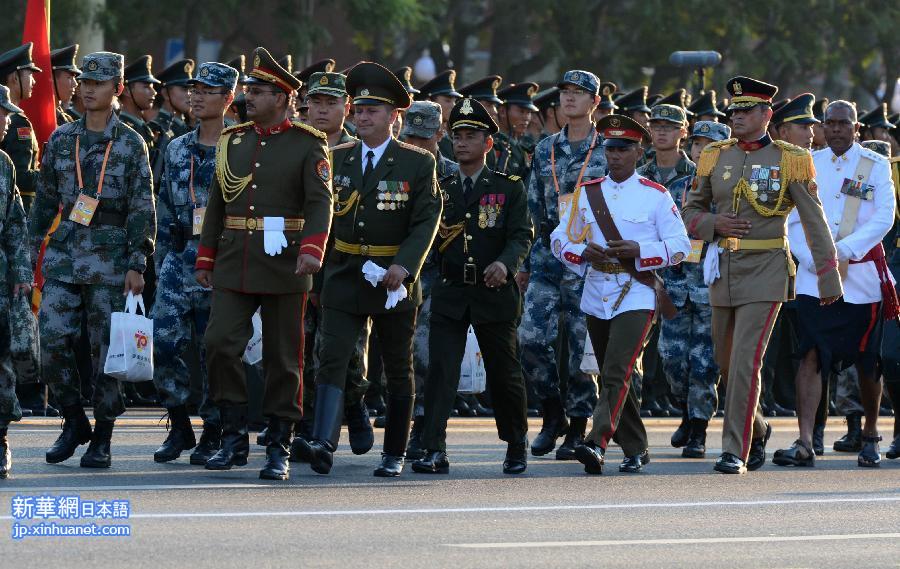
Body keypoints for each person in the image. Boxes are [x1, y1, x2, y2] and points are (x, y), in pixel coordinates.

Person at [681, 76, 842, 474]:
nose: (736, 116)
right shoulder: (715, 156)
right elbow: (689, 212)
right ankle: (757, 428)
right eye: (733, 110)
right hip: (723, 270)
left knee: (746, 362)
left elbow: (814, 221)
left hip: (767, 270)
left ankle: (733, 449)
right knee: (724, 362)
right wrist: (713, 223)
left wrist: (827, 275)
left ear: (766, 115)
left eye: (746, 110)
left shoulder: (790, 159)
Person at [194, 47, 332, 481]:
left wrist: (312, 249)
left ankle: (278, 444)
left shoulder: (308, 144)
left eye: (259, 91)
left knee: (284, 358)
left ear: (284, 97)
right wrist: (206, 255)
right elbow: (217, 203)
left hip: (286, 263)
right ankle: (233, 436)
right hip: (235, 260)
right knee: (218, 343)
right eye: (249, 90)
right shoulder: (234, 141)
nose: (249, 97)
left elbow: (320, 203)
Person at [301, 61, 441, 478]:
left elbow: (426, 218)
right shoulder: (335, 157)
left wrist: (405, 265)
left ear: (394, 116)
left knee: (398, 367)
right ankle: (324, 441)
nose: (362, 117)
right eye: (359, 110)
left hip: (391, 280)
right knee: (332, 355)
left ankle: (394, 451)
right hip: (343, 272)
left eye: (372, 111)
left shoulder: (416, 163)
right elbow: (319, 213)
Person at [31, 51, 156, 469]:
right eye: (84, 82)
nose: (87, 89)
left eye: (98, 83)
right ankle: (72, 419)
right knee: (50, 344)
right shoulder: (64, 139)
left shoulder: (131, 143)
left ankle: (102, 435)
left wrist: (137, 262)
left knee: (108, 354)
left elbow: (143, 205)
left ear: (117, 89)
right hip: (66, 255)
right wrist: (31, 250)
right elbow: (46, 201)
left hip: (112, 259)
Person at [551, 114, 691, 474]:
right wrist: (581, 253)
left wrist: (640, 252)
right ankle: (636, 447)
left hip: (638, 290)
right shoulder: (586, 192)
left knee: (615, 370)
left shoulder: (655, 195)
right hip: (596, 288)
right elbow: (558, 238)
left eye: (623, 148)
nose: (615, 155)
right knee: (618, 373)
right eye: (610, 148)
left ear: (637, 151)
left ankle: (596, 443)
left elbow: (680, 245)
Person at [412, 97, 533, 475]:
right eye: (458, 135)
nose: (462, 142)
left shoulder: (508, 187)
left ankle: (516, 444)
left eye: (471, 136)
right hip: (450, 290)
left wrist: (505, 263)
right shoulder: (441, 186)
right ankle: (433, 448)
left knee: (504, 372)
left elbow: (521, 235)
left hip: (493, 291)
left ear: (488, 144)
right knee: (441, 371)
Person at [774, 100, 895, 468]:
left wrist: (842, 253)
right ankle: (806, 441)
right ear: (823, 127)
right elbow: (792, 217)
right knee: (810, 355)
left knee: (867, 361)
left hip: (860, 279)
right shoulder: (810, 164)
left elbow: (883, 218)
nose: (837, 129)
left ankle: (871, 435)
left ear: (856, 128)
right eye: (831, 123)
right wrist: (816, 260)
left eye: (844, 123)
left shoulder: (873, 166)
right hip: (815, 279)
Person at [150, 62, 239, 465]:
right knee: (165, 344)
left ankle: (213, 430)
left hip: (222, 261)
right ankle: (178, 423)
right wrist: (159, 263)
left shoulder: (239, 147)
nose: (197, 96)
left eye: (208, 90)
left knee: (214, 351)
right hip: (179, 257)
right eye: (194, 89)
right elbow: (165, 208)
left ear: (228, 99)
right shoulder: (176, 147)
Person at [518, 70, 606, 460]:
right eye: (565, 93)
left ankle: (577, 426)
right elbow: (533, 207)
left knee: (580, 350)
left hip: (591, 261)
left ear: (595, 103)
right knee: (531, 339)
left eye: (578, 94)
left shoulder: (608, 150)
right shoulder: (545, 149)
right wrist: (524, 261)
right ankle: (551, 411)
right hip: (549, 257)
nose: (569, 99)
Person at [397, 100, 459, 458]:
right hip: (401, 276)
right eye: (411, 138)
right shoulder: (395, 168)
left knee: (427, 356)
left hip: (441, 279)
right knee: (399, 358)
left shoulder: (453, 174)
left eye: (424, 139)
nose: (417, 146)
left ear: (439, 134)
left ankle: (426, 430)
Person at [0, 85, 32, 479]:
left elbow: (16, 228)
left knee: (2, 363)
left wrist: (23, 276)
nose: (7, 120)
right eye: (1, 113)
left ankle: (0, 438)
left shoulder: (5, 164)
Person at [0, 43, 41, 212]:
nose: (34, 81)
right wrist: (55, 175)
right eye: (29, 74)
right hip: (17, 212)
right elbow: (21, 177)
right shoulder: (16, 123)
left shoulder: (17, 120)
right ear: (14, 78)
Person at [416, 69, 462, 160]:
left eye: (454, 101)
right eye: (447, 100)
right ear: (430, 102)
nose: (453, 105)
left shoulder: (452, 135)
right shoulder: (422, 136)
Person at [495, 82, 538, 178]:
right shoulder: (492, 145)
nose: (526, 117)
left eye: (529, 112)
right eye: (522, 111)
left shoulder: (526, 147)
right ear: (502, 112)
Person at [118, 55, 158, 147]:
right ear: (126, 91)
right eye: (146, 87)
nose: (154, 92)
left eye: (152, 87)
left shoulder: (141, 126)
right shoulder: (122, 129)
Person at [151, 59, 194, 138]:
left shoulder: (186, 126)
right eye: (184, 89)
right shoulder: (157, 129)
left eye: (190, 90)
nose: (189, 94)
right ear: (166, 94)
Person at [51, 44, 81, 124]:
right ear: (52, 79)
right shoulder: (39, 117)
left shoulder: (67, 118)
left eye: (74, 78)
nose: (75, 84)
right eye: (69, 77)